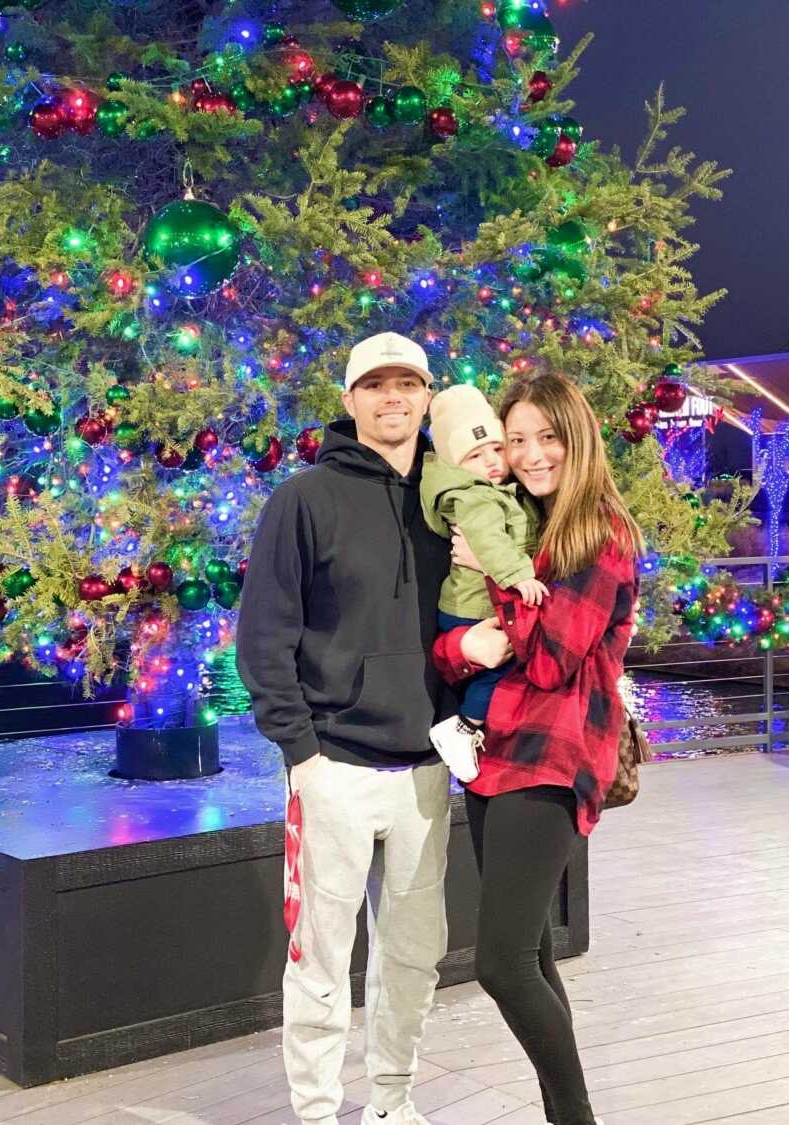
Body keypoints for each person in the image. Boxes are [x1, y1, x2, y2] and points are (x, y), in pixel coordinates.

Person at [236, 331, 454, 1125]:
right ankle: (318, 1110)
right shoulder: (305, 499)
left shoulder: (449, 495)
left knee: (412, 956)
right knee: (321, 960)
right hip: (333, 766)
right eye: (376, 386)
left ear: (428, 396)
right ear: (351, 399)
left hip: (428, 771)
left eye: (408, 384)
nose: (392, 399)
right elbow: (264, 634)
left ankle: (392, 1103)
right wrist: (300, 751)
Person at [433, 370, 643, 1125]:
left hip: (554, 757)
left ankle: (577, 1117)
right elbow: (453, 652)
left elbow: (552, 658)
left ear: (575, 438)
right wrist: (469, 639)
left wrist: (489, 575)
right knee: (533, 956)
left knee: (500, 963)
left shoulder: (601, 535)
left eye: (545, 437)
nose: (529, 453)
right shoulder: (523, 524)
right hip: (498, 757)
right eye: (514, 438)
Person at [420, 384, 545, 782]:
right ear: (456, 463)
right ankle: (464, 728)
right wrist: (519, 574)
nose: (492, 461)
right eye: (475, 455)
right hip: (470, 607)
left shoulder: (497, 490)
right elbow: (489, 540)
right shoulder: (474, 498)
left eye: (496, 448)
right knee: (498, 669)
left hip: (474, 602)